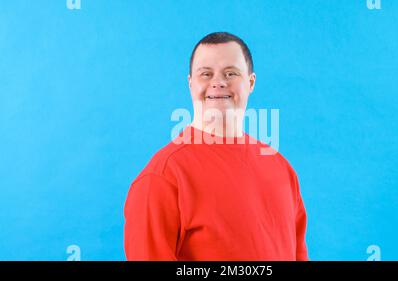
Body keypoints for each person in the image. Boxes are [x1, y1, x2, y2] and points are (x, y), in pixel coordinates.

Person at [124, 32, 308, 261]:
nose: (218, 82)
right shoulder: (163, 177)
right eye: (206, 74)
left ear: (250, 83)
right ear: (190, 84)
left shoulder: (281, 168)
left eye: (231, 73)